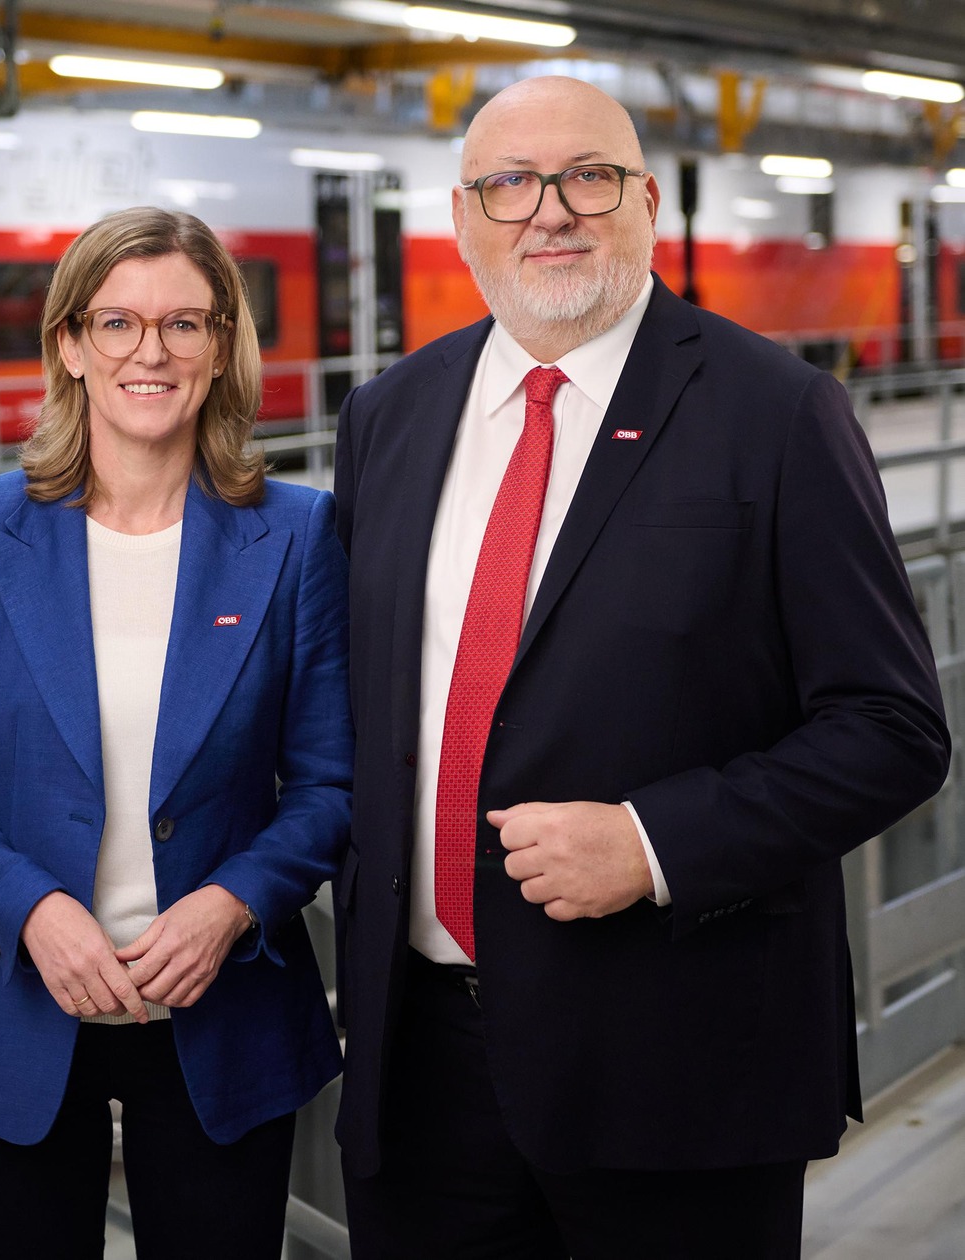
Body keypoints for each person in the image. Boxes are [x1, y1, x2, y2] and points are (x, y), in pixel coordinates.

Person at [332, 75, 950, 1259]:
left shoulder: (778, 410)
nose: (549, 211)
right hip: (422, 1073)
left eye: (588, 177)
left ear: (648, 204)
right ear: (463, 222)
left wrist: (654, 844)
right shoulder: (390, 416)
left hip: (678, 1067)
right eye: (509, 184)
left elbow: (892, 727)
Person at [0, 206, 353, 1259]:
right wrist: (34, 911)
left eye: (185, 324)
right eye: (120, 324)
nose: (152, 352)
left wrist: (233, 904)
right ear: (71, 344)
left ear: (220, 345)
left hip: (219, 1012)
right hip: (19, 1006)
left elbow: (331, 786)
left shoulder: (296, 535)